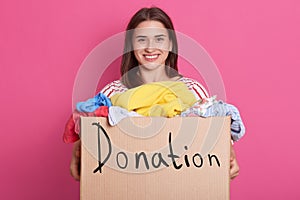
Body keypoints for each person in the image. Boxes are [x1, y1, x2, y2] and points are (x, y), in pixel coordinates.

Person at [68, 7, 240, 181]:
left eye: (159, 39)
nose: (150, 48)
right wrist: (78, 149)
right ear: (131, 46)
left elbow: (213, 136)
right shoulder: (112, 93)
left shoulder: (193, 90)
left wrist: (228, 152)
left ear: (170, 44)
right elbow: (94, 134)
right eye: (142, 40)